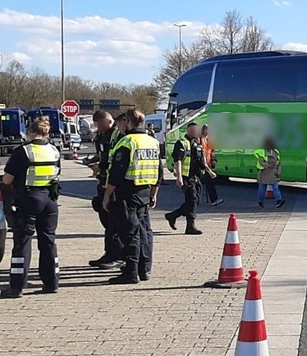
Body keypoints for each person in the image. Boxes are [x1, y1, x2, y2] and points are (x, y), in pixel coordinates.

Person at [0, 117, 62, 298]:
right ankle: (52, 283)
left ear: (30, 132)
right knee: (48, 242)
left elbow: (7, 180)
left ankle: (17, 287)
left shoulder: (23, 151)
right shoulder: (54, 151)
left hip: (28, 199)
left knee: (22, 242)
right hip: (50, 200)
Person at [102, 109, 162, 284]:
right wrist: (154, 193)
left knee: (130, 234)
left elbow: (116, 174)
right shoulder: (152, 142)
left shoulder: (127, 142)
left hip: (127, 192)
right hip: (144, 191)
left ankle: (130, 272)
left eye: (121, 122)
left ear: (127, 122)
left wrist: (107, 195)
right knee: (143, 232)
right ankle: (143, 269)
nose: (119, 125)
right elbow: (158, 172)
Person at [88, 110, 125, 270]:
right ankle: (109, 253)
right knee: (107, 221)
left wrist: (100, 166)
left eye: (99, 124)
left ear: (107, 121)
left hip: (114, 185)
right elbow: (103, 155)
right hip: (103, 182)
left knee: (114, 223)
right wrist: (94, 162)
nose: (97, 128)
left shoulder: (117, 135)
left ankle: (118, 256)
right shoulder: (101, 136)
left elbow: (114, 160)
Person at [165, 122, 217, 234]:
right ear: (189, 130)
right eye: (194, 130)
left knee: (195, 201)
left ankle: (173, 215)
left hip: (196, 176)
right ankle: (190, 226)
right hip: (185, 177)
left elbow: (201, 160)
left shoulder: (197, 143)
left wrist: (209, 171)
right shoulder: (182, 143)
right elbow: (177, 160)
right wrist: (179, 177)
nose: (196, 132)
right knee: (192, 200)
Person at [254, 137, 285, 208]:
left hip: (273, 173)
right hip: (263, 173)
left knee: (275, 187)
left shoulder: (276, 152)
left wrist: (278, 172)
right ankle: (260, 202)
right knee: (262, 189)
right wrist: (267, 165)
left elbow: (278, 163)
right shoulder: (261, 152)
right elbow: (261, 162)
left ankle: (278, 201)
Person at [200, 124, 223, 206]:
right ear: (204, 130)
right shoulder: (200, 140)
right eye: (207, 130)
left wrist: (213, 160)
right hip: (202, 164)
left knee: (210, 182)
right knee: (204, 182)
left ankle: (214, 199)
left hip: (208, 164)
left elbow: (213, 151)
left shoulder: (209, 140)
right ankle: (213, 199)